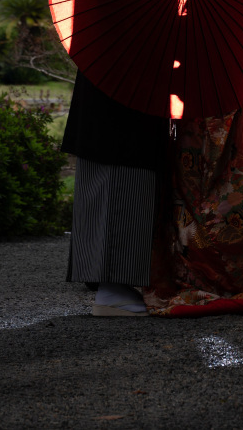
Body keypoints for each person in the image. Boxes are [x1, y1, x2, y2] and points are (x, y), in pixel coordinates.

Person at [143, 87, 243, 316]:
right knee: (229, 183)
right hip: (237, 90)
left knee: (198, 181)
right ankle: (232, 273)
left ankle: (196, 272)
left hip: (205, 95)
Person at [62, 69, 169, 317]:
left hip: (111, 83)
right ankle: (112, 287)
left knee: (112, 185)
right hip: (124, 93)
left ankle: (108, 280)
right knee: (121, 187)